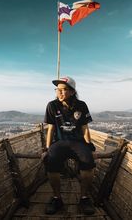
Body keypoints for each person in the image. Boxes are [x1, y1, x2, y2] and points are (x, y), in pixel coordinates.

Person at [43, 76, 96, 215]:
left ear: (72, 92)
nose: (60, 93)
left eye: (64, 89)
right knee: (51, 163)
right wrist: (47, 148)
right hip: (59, 142)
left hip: (78, 142)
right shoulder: (52, 105)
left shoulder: (81, 105)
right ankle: (57, 198)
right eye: (57, 90)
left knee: (88, 163)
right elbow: (51, 128)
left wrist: (89, 144)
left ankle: (84, 198)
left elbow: (85, 128)